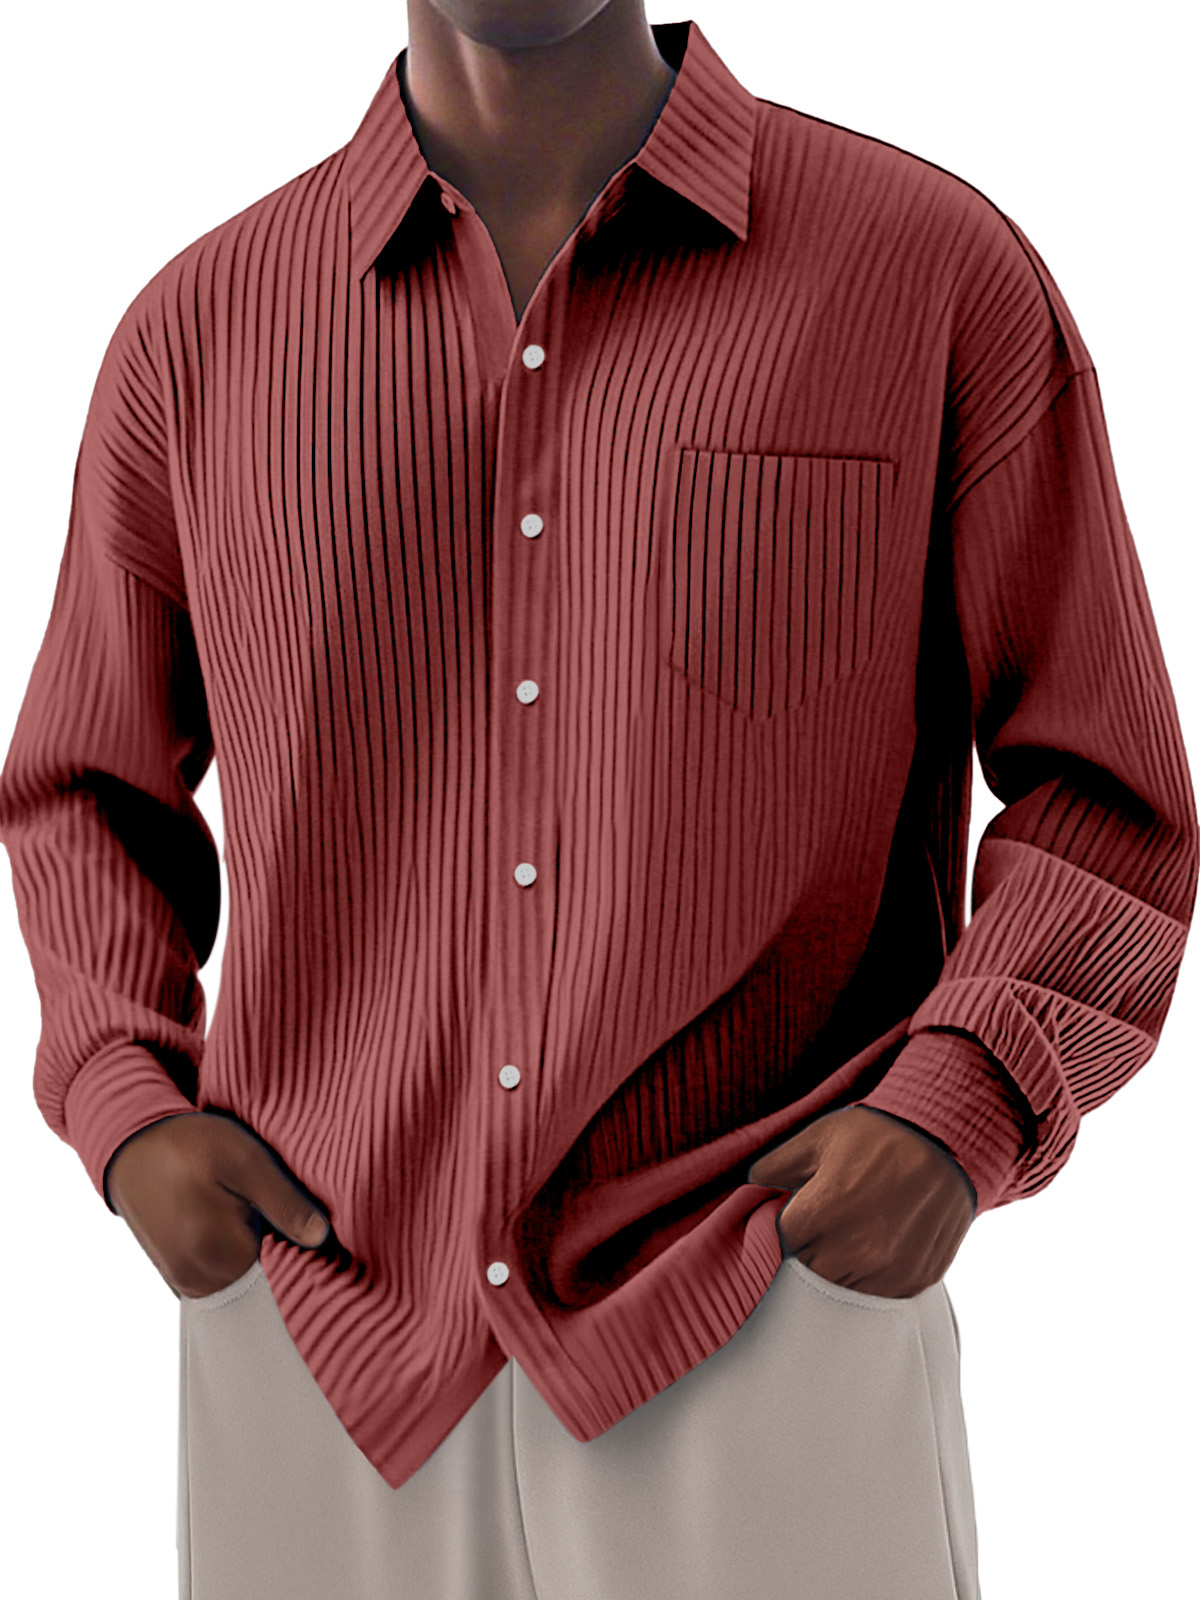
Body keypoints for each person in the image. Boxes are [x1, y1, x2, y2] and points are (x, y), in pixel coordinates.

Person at [0, 4, 1195, 1598]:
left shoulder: (929, 273)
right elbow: (82, 791)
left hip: (761, 1296)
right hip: (323, 1329)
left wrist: (957, 1107)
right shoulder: (196, 336)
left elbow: (1102, 784)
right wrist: (130, 1111)